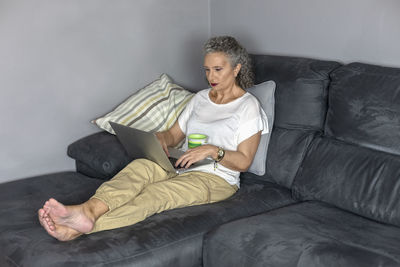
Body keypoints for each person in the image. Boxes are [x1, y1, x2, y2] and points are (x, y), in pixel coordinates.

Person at [38, 36, 269, 241]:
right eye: (207, 70)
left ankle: (77, 229)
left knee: (155, 194)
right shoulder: (200, 99)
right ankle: (88, 210)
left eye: (218, 69)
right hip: (181, 165)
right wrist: (158, 139)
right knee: (140, 168)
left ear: (237, 68)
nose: (211, 76)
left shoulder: (247, 107)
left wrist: (212, 151)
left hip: (217, 180)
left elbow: (244, 161)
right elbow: (173, 135)